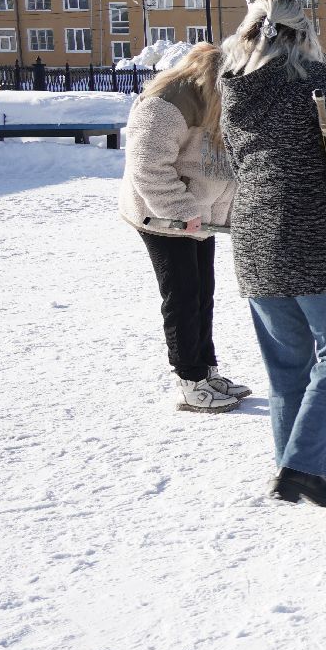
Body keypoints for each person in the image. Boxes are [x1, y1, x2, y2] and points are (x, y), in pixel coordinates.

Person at [220, 0, 326, 510]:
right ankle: (305, 467)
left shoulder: (233, 87)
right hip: (311, 229)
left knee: (287, 366)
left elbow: (238, 163)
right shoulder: (315, 79)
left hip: (254, 233)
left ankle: (301, 465)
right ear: (302, 33)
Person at [118, 42, 249, 413]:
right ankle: (190, 381)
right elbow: (147, 165)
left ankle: (206, 369)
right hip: (161, 216)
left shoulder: (221, 99)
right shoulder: (168, 102)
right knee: (182, 296)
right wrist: (180, 208)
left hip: (196, 215)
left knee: (203, 291)